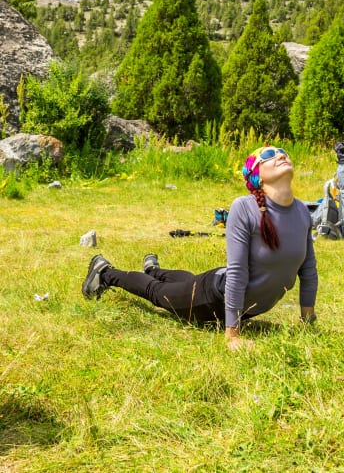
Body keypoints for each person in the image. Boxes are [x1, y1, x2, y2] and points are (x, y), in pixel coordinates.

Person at [81, 146, 318, 351]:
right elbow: (237, 272)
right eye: (269, 154)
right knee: (158, 294)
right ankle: (105, 273)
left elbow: (308, 270)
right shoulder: (244, 208)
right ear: (258, 176)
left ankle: (152, 270)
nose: (279, 155)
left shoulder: (300, 212)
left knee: (189, 282)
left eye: (283, 152)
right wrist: (232, 335)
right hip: (214, 297)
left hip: (240, 303)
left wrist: (308, 323)